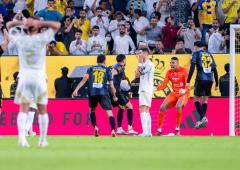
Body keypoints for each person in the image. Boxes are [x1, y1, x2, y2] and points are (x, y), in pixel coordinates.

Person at [7, 17, 61, 147]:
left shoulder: (21, 38)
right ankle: (42, 140)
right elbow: (57, 25)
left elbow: (9, 25)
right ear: (37, 28)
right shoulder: (42, 38)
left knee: (23, 109)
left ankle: (21, 138)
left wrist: (22, 22)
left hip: (24, 76)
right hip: (38, 77)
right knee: (42, 109)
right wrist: (40, 23)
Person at [72, 54, 117, 137]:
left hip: (92, 93)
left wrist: (76, 89)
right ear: (104, 61)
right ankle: (113, 130)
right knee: (109, 113)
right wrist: (114, 96)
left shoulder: (90, 69)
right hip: (103, 93)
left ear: (97, 61)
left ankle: (95, 127)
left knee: (92, 110)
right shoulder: (107, 70)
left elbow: (83, 80)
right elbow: (111, 85)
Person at [186, 41, 219, 129]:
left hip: (200, 79)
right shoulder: (209, 54)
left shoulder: (196, 54)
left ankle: (203, 117)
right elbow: (215, 70)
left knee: (196, 100)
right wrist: (217, 83)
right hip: (210, 80)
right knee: (205, 101)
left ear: (196, 47)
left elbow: (192, 68)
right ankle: (201, 121)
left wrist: (188, 81)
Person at [156, 57, 190, 135]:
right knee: (162, 108)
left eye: (173, 63)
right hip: (174, 93)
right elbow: (164, 85)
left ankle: (177, 129)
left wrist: (185, 90)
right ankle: (159, 130)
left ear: (178, 63)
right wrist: (155, 88)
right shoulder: (169, 72)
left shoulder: (184, 71)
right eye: (170, 63)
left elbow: (188, 85)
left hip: (183, 93)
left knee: (178, 106)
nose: (171, 64)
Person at [110, 54, 137, 135]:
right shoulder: (118, 67)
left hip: (113, 90)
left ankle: (119, 128)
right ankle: (130, 128)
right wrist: (112, 86)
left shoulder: (115, 66)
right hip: (116, 90)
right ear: (124, 60)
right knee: (130, 106)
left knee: (121, 107)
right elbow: (111, 74)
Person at [136, 48, 155, 137]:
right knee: (146, 110)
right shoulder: (145, 64)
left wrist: (139, 62)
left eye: (140, 53)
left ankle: (145, 132)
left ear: (145, 53)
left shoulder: (149, 64)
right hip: (146, 89)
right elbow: (136, 75)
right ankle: (148, 132)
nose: (139, 55)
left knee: (143, 109)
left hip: (145, 88)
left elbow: (139, 73)